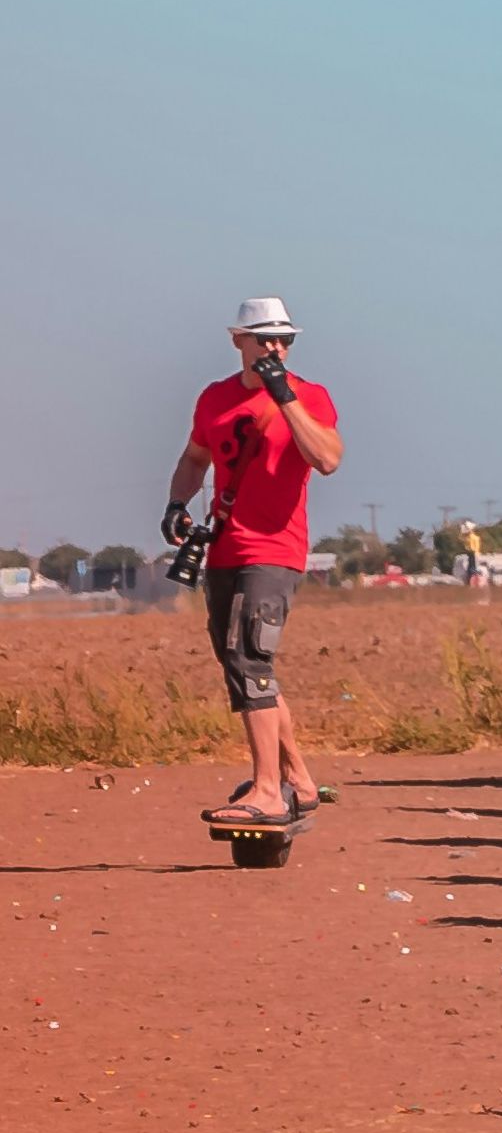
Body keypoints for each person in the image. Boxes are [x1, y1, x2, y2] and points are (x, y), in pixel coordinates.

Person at [165, 298, 345, 823]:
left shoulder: (310, 396)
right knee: (239, 663)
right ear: (237, 340)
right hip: (224, 546)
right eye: (264, 338)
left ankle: (268, 790)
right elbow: (195, 457)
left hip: (274, 549)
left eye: (284, 339)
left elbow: (327, 459)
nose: (275, 347)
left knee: (250, 658)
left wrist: (285, 397)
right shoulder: (214, 398)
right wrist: (177, 504)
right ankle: (298, 780)